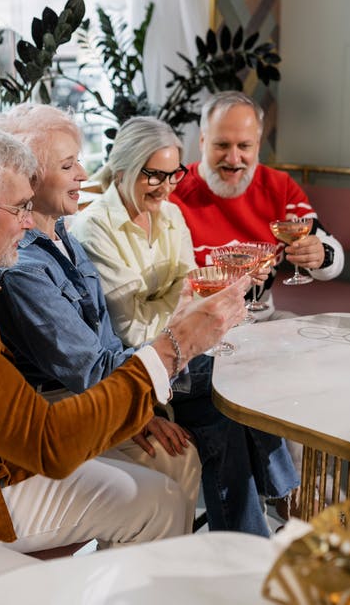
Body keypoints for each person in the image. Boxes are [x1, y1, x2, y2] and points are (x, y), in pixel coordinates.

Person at [0, 121, 250, 604]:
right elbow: (47, 442)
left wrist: (124, 401)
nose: (26, 222)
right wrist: (173, 346)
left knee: (159, 500)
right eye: (18, 208)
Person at [71, 116, 300, 538]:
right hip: (140, 363)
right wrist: (182, 304)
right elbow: (129, 323)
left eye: (173, 173)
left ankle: (249, 538)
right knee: (233, 398)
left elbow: (190, 288)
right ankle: (279, 509)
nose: (165, 186)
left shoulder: (171, 214)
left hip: (182, 350)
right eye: (152, 175)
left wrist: (179, 302)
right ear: (122, 170)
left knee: (241, 395)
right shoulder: (93, 227)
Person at [0, 104, 201, 533]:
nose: (84, 175)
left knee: (180, 455)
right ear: (27, 180)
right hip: (54, 411)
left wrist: (136, 409)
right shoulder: (22, 266)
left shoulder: (63, 236)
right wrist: (186, 337)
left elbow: (106, 343)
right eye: (68, 165)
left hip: (91, 396)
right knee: (172, 465)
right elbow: (90, 368)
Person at [170, 91, 345, 320]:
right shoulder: (172, 190)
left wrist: (321, 255)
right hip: (195, 324)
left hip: (261, 322)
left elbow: (333, 256)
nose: (233, 159)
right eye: (222, 145)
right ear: (202, 142)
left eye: (244, 146)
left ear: (258, 145)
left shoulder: (280, 187)